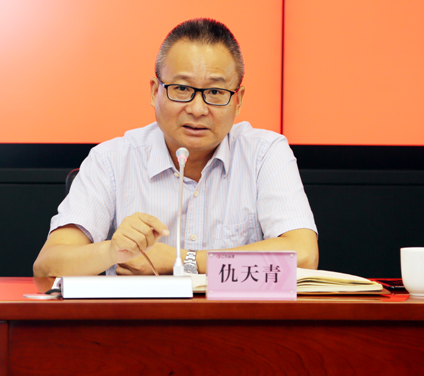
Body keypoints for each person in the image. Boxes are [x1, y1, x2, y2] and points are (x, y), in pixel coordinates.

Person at [33, 18, 318, 277]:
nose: (197, 109)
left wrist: (180, 260)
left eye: (215, 92)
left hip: (236, 319)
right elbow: (47, 268)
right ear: (155, 91)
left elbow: (304, 256)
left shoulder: (264, 154)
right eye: (182, 89)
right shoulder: (111, 160)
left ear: (238, 100)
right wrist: (112, 251)